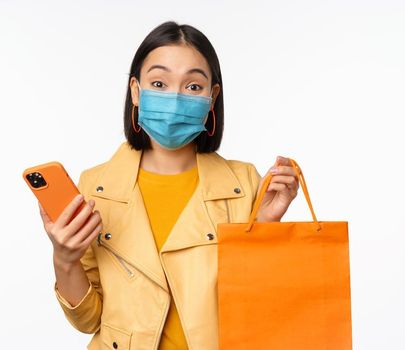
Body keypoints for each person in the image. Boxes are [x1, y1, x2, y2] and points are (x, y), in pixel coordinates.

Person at [38, 21, 300, 350]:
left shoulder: (245, 184)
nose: (175, 99)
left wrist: (264, 227)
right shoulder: (95, 187)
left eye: (192, 87)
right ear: (136, 90)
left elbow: (259, 308)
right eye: (159, 83)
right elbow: (89, 319)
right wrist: (64, 259)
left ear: (211, 97)